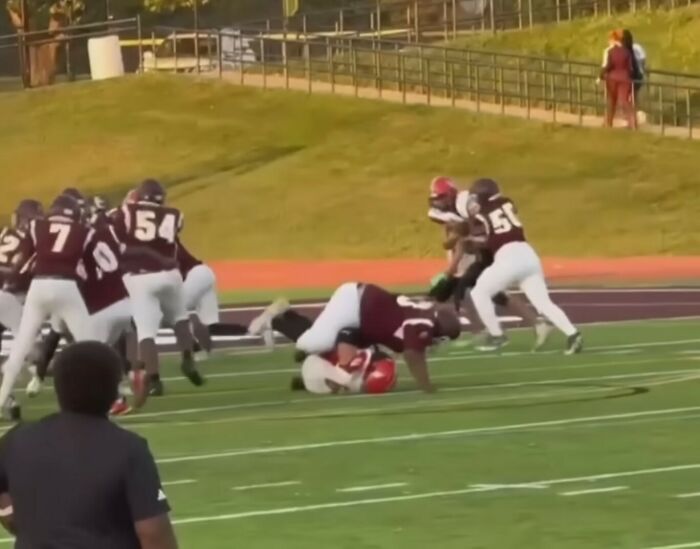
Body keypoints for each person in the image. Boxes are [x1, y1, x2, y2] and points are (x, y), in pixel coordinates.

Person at [0, 341, 178, 549]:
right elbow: (153, 533)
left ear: (58, 387)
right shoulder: (129, 449)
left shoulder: (18, 439)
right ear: (113, 392)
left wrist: (10, 515)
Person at [250, 283, 461, 393]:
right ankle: (279, 318)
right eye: (442, 339)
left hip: (363, 312)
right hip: (355, 305)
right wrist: (426, 386)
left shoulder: (423, 313)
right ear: (440, 330)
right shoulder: (425, 324)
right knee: (312, 343)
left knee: (331, 345)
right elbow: (412, 354)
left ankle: (309, 362)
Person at [427, 176, 552, 351]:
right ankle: (491, 330)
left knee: (483, 290)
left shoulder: (466, 202)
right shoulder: (440, 211)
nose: (438, 202)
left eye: (441, 197)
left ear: (451, 194)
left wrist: (453, 262)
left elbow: (475, 227)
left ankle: (505, 330)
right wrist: (454, 243)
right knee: (475, 290)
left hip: (489, 243)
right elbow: (453, 230)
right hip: (475, 244)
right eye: (436, 198)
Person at [0, 195, 96, 420]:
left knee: (20, 346)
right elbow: (88, 266)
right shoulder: (83, 230)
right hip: (62, 286)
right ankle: (101, 398)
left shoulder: (33, 228)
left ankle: (6, 396)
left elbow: (22, 260)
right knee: (90, 347)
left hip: (35, 287)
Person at [112, 180, 204, 407]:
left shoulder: (126, 211)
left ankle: (153, 379)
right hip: (170, 274)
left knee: (146, 332)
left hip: (140, 276)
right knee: (180, 317)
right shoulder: (175, 214)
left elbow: (114, 227)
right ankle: (187, 358)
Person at [466, 178, 583, 355]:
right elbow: (501, 226)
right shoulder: (507, 202)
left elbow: (483, 234)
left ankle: (497, 335)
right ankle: (573, 334)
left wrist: (470, 238)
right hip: (528, 254)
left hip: (508, 256)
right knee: (543, 303)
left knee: (479, 292)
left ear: (481, 196)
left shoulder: (482, 212)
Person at [600, 29, 637, 129]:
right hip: (625, 78)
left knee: (611, 101)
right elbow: (630, 68)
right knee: (625, 101)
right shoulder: (627, 52)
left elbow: (608, 65)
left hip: (612, 78)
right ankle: (632, 122)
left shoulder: (611, 52)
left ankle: (608, 122)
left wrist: (601, 75)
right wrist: (630, 76)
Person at [622, 29, 646, 105]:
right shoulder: (637, 47)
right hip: (637, 76)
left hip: (629, 76)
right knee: (633, 95)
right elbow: (643, 60)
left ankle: (629, 110)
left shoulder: (622, 49)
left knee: (629, 95)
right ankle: (633, 110)